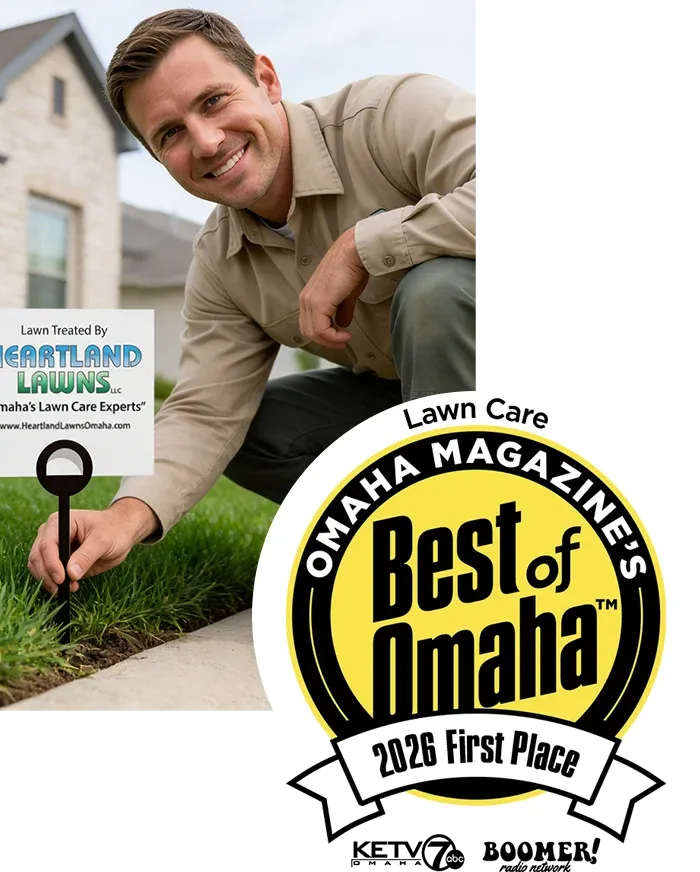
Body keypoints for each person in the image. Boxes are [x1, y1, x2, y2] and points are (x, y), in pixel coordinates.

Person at [27, 9, 478, 595]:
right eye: (170, 134)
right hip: (413, 407)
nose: (207, 142)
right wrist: (124, 516)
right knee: (258, 431)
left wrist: (364, 247)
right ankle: (403, 539)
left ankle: (471, 549)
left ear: (266, 80)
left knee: (435, 290)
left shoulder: (394, 115)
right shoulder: (221, 260)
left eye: (213, 101)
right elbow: (205, 412)